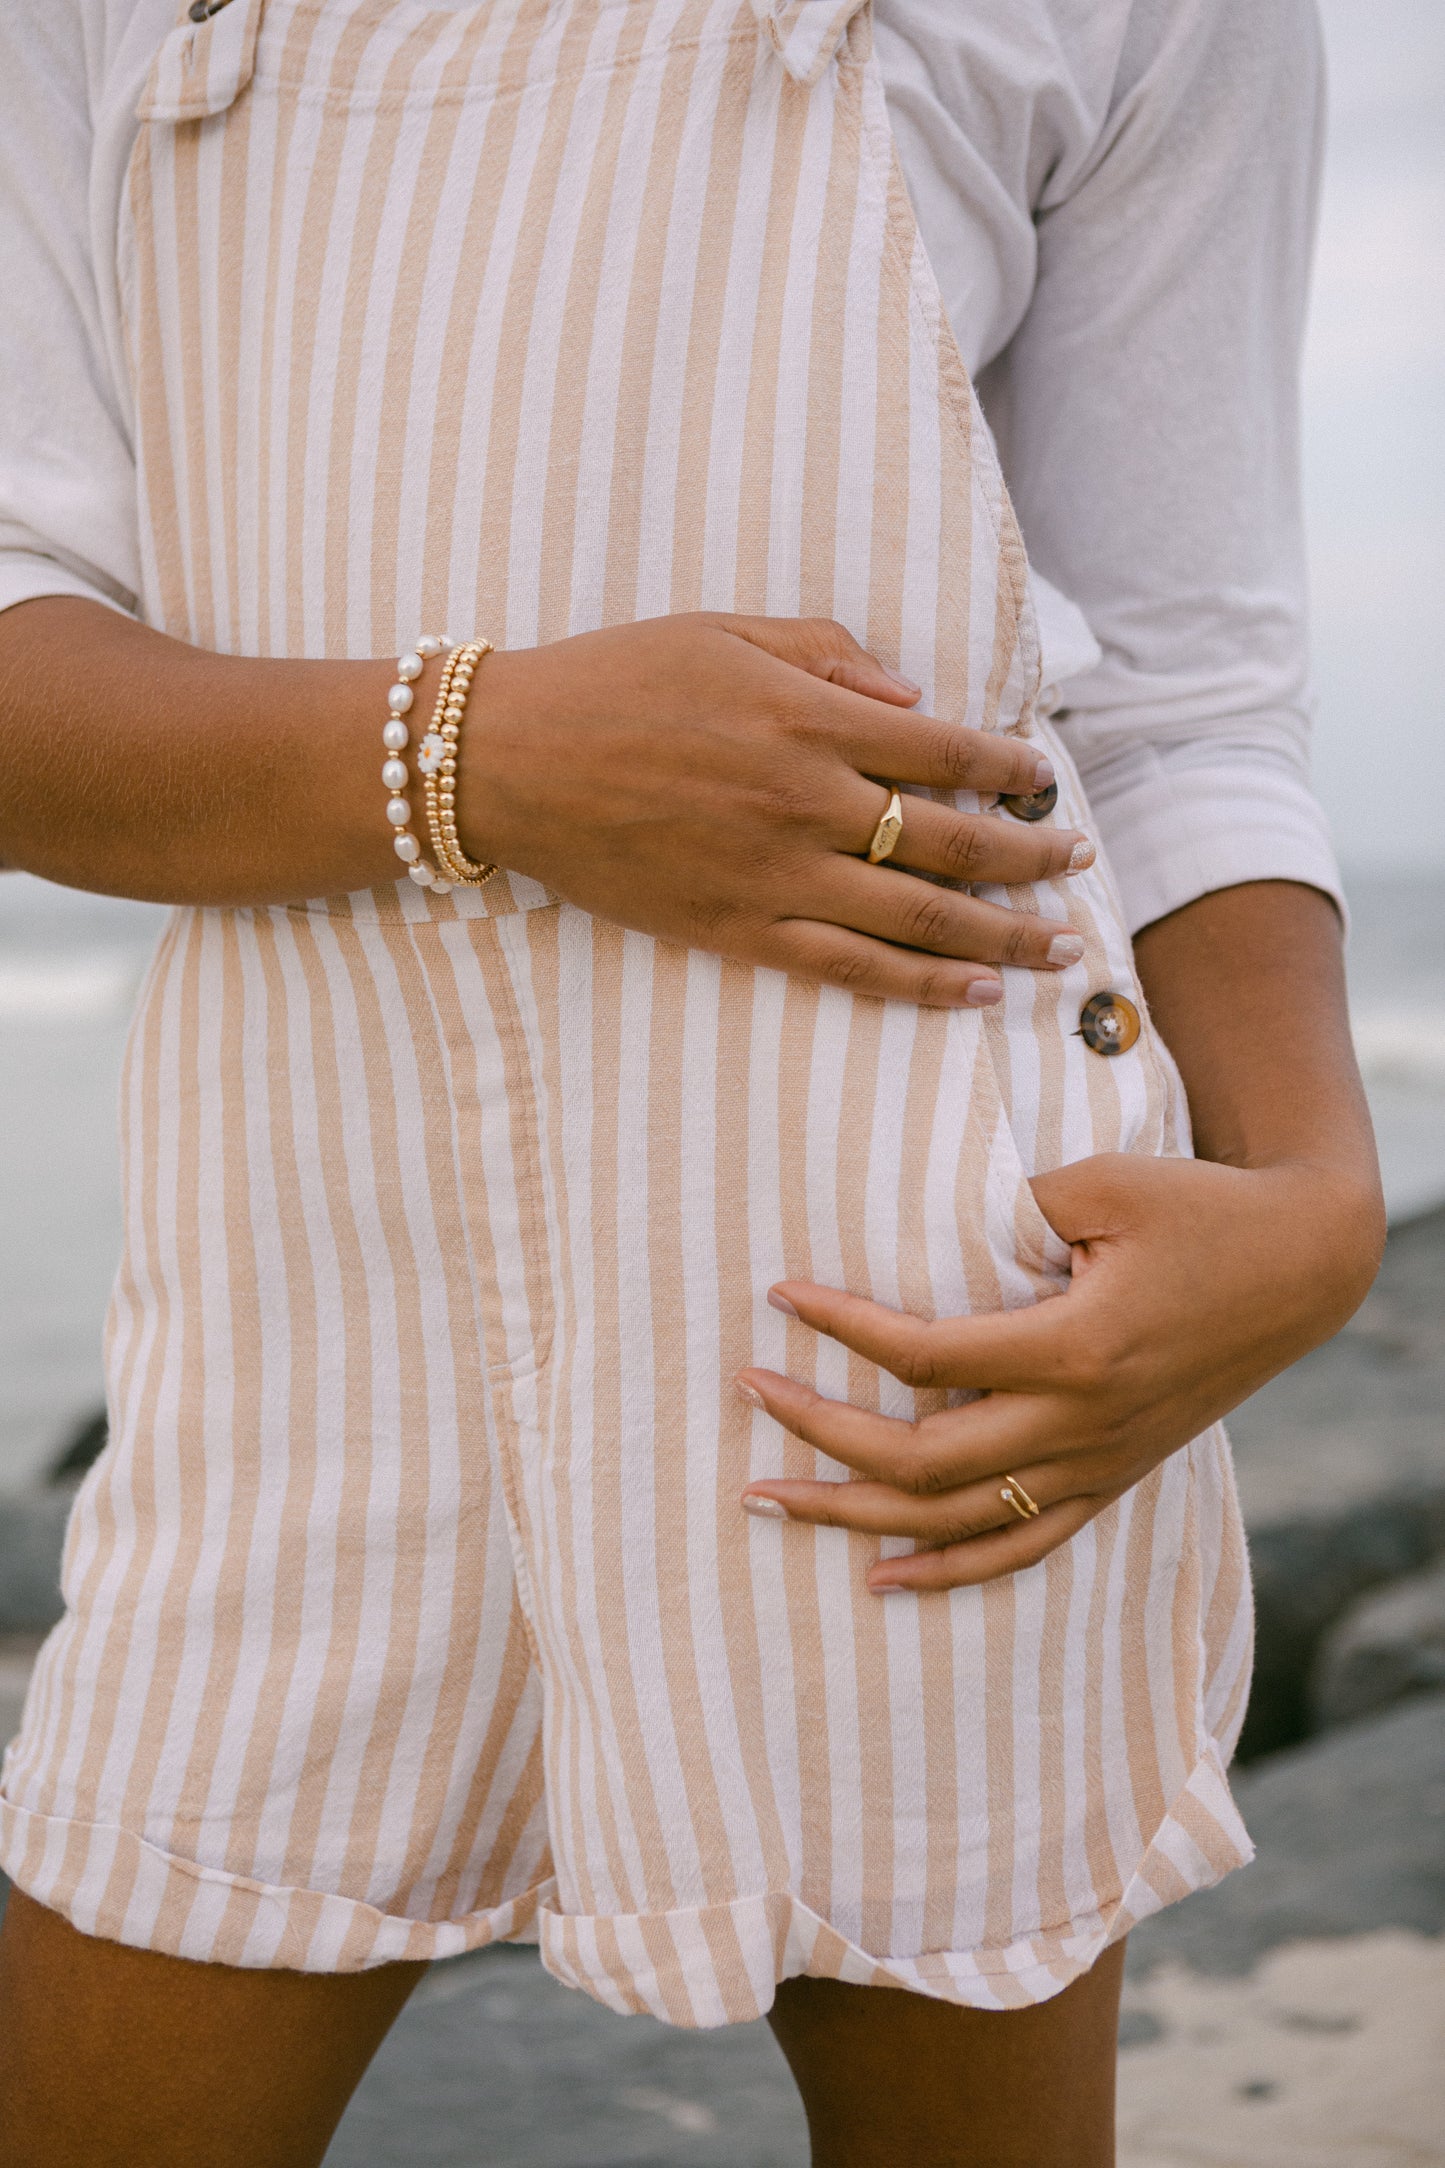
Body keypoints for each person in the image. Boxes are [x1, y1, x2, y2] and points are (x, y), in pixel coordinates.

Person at [0, 0, 1383, 2161]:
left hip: (921, 1317)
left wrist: (1310, 1193)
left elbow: (1188, 687)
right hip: (309, 1297)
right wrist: (485, 753)